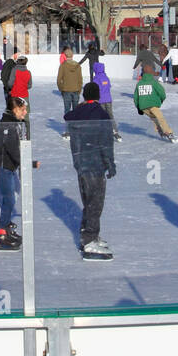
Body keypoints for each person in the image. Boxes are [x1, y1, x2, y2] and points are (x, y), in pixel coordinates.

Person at [65, 82, 116, 260]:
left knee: (88, 201)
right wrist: (110, 163)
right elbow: (106, 142)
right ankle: (89, 240)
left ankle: (88, 235)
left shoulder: (77, 113)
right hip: (95, 166)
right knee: (95, 203)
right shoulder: (101, 115)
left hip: (81, 165)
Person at [0, 97, 28, 249]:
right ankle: (1, 233)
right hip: (3, 168)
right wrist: (28, 162)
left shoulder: (14, 124)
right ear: (15, 109)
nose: (25, 113)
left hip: (9, 167)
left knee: (10, 198)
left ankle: (5, 227)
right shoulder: (6, 126)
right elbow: (13, 150)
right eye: (23, 109)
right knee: (8, 200)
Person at [134, 62, 178, 143]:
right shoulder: (153, 82)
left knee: (154, 119)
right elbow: (162, 93)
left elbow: (135, 97)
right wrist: (161, 100)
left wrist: (138, 107)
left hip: (143, 107)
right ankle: (169, 133)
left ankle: (160, 131)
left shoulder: (139, 83)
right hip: (153, 105)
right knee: (160, 118)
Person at [90, 61, 121, 142]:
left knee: (102, 117)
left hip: (100, 101)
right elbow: (108, 86)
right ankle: (115, 131)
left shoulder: (96, 79)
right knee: (110, 115)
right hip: (108, 100)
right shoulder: (106, 77)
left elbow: (95, 90)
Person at [56, 47, 83, 135]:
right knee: (76, 111)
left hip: (66, 90)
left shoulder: (63, 65)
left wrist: (61, 89)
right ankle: (75, 129)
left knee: (67, 111)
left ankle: (67, 131)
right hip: (76, 90)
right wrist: (79, 89)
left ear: (65, 56)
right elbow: (80, 79)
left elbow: (59, 79)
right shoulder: (78, 65)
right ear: (72, 55)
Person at [9, 55, 33, 139]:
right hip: (25, 96)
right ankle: (28, 135)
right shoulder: (28, 72)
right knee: (26, 117)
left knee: (16, 116)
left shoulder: (14, 70)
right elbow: (29, 85)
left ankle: (18, 135)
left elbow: (10, 83)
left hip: (16, 96)